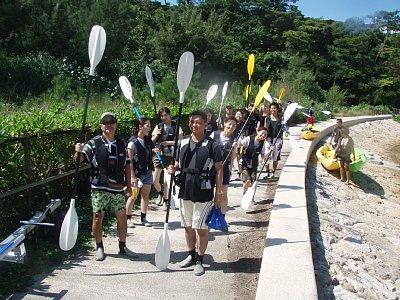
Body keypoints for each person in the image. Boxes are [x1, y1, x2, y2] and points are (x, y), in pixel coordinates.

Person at [168, 110, 223, 276]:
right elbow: (177, 163)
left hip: (204, 191)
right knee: (188, 226)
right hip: (185, 190)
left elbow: (219, 169)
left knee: (201, 228)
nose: (194, 125)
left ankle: (200, 259)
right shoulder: (183, 143)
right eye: (192, 122)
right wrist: (173, 168)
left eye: (198, 122)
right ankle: (191, 254)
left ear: (206, 124)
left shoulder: (213, 145)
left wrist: (218, 192)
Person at [74, 112, 133, 261]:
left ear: (116, 125)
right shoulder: (93, 143)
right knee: (98, 217)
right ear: (101, 126)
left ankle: (122, 246)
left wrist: (129, 185)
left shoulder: (122, 143)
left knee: (122, 217)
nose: (109, 125)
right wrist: (78, 151)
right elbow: (79, 160)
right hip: (99, 187)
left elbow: (126, 164)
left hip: (117, 188)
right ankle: (99, 247)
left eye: (112, 122)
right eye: (106, 123)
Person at [127, 118, 159, 227]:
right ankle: (128, 218)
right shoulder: (132, 143)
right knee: (133, 196)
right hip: (137, 173)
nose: (150, 128)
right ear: (141, 127)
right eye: (148, 126)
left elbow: (149, 156)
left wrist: (154, 153)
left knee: (145, 195)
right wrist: (132, 176)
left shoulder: (148, 141)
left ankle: (143, 218)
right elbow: (129, 161)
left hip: (148, 171)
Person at [151, 107, 183, 209]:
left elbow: (180, 141)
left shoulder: (176, 126)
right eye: (162, 116)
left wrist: (168, 143)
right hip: (159, 155)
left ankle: (166, 200)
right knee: (154, 179)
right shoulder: (158, 126)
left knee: (166, 181)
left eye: (165, 115)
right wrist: (157, 135)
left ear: (170, 115)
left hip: (170, 156)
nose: (164, 117)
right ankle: (160, 193)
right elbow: (151, 141)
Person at [210, 116, 237, 215]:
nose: (231, 127)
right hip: (211, 168)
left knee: (223, 193)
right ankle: (209, 214)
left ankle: (222, 216)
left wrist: (234, 148)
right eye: (230, 124)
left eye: (234, 125)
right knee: (209, 193)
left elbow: (233, 159)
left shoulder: (234, 140)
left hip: (224, 169)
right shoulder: (215, 134)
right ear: (225, 124)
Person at [239, 127, 268, 194]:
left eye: (265, 135)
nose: (263, 135)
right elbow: (240, 144)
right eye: (262, 133)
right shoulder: (249, 138)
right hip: (245, 163)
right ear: (258, 132)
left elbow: (263, 155)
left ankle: (251, 197)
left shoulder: (262, 143)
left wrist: (269, 152)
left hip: (254, 165)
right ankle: (245, 194)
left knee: (253, 182)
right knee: (247, 180)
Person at [265, 102, 284, 179]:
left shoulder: (280, 118)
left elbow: (284, 129)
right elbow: (265, 128)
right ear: (270, 109)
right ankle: (267, 173)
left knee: (275, 157)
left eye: (275, 108)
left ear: (277, 109)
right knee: (266, 155)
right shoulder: (267, 118)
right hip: (269, 139)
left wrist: (283, 126)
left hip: (278, 139)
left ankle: (273, 172)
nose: (273, 109)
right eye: (272, 108)